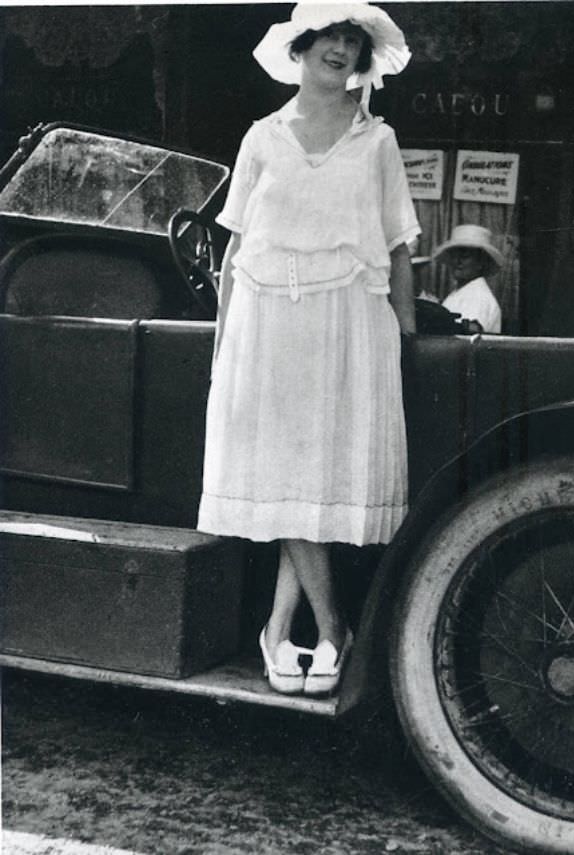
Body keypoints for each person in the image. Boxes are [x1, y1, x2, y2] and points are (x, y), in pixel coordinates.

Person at [197, 3, 419, 696]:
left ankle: (279, 628)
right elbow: (234, 249)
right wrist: (224, 338)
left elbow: (399, 246)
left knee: (313, 480)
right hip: (269, 323)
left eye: (353, 41)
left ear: (362, 57)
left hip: (349, 322)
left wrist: (406, 337)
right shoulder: (262, 138)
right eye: (330, 35)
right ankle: (331, 628)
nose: (342, 48)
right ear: (302, 46)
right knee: (288, 473)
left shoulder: (377, 141)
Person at [432, 224, 504, 333]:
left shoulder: (478, 297)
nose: (457, 261)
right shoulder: (461, 292)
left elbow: (463, 339)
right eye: (454, 256)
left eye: (465, 257)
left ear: (480, 262)